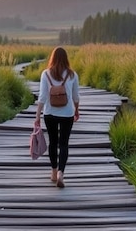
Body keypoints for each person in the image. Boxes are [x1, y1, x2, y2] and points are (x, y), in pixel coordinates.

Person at [34, 46, 80, 188]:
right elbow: (75, 97)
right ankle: (61, 172)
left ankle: (53, 172)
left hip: (50, 114)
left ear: (52, 58)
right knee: (64, 144)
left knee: (53, 143)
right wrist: (76, 110)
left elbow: (42, 97)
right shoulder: (72, 75)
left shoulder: (45, 74)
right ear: (66, 59)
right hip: (67, 114)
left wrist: (37, 116)